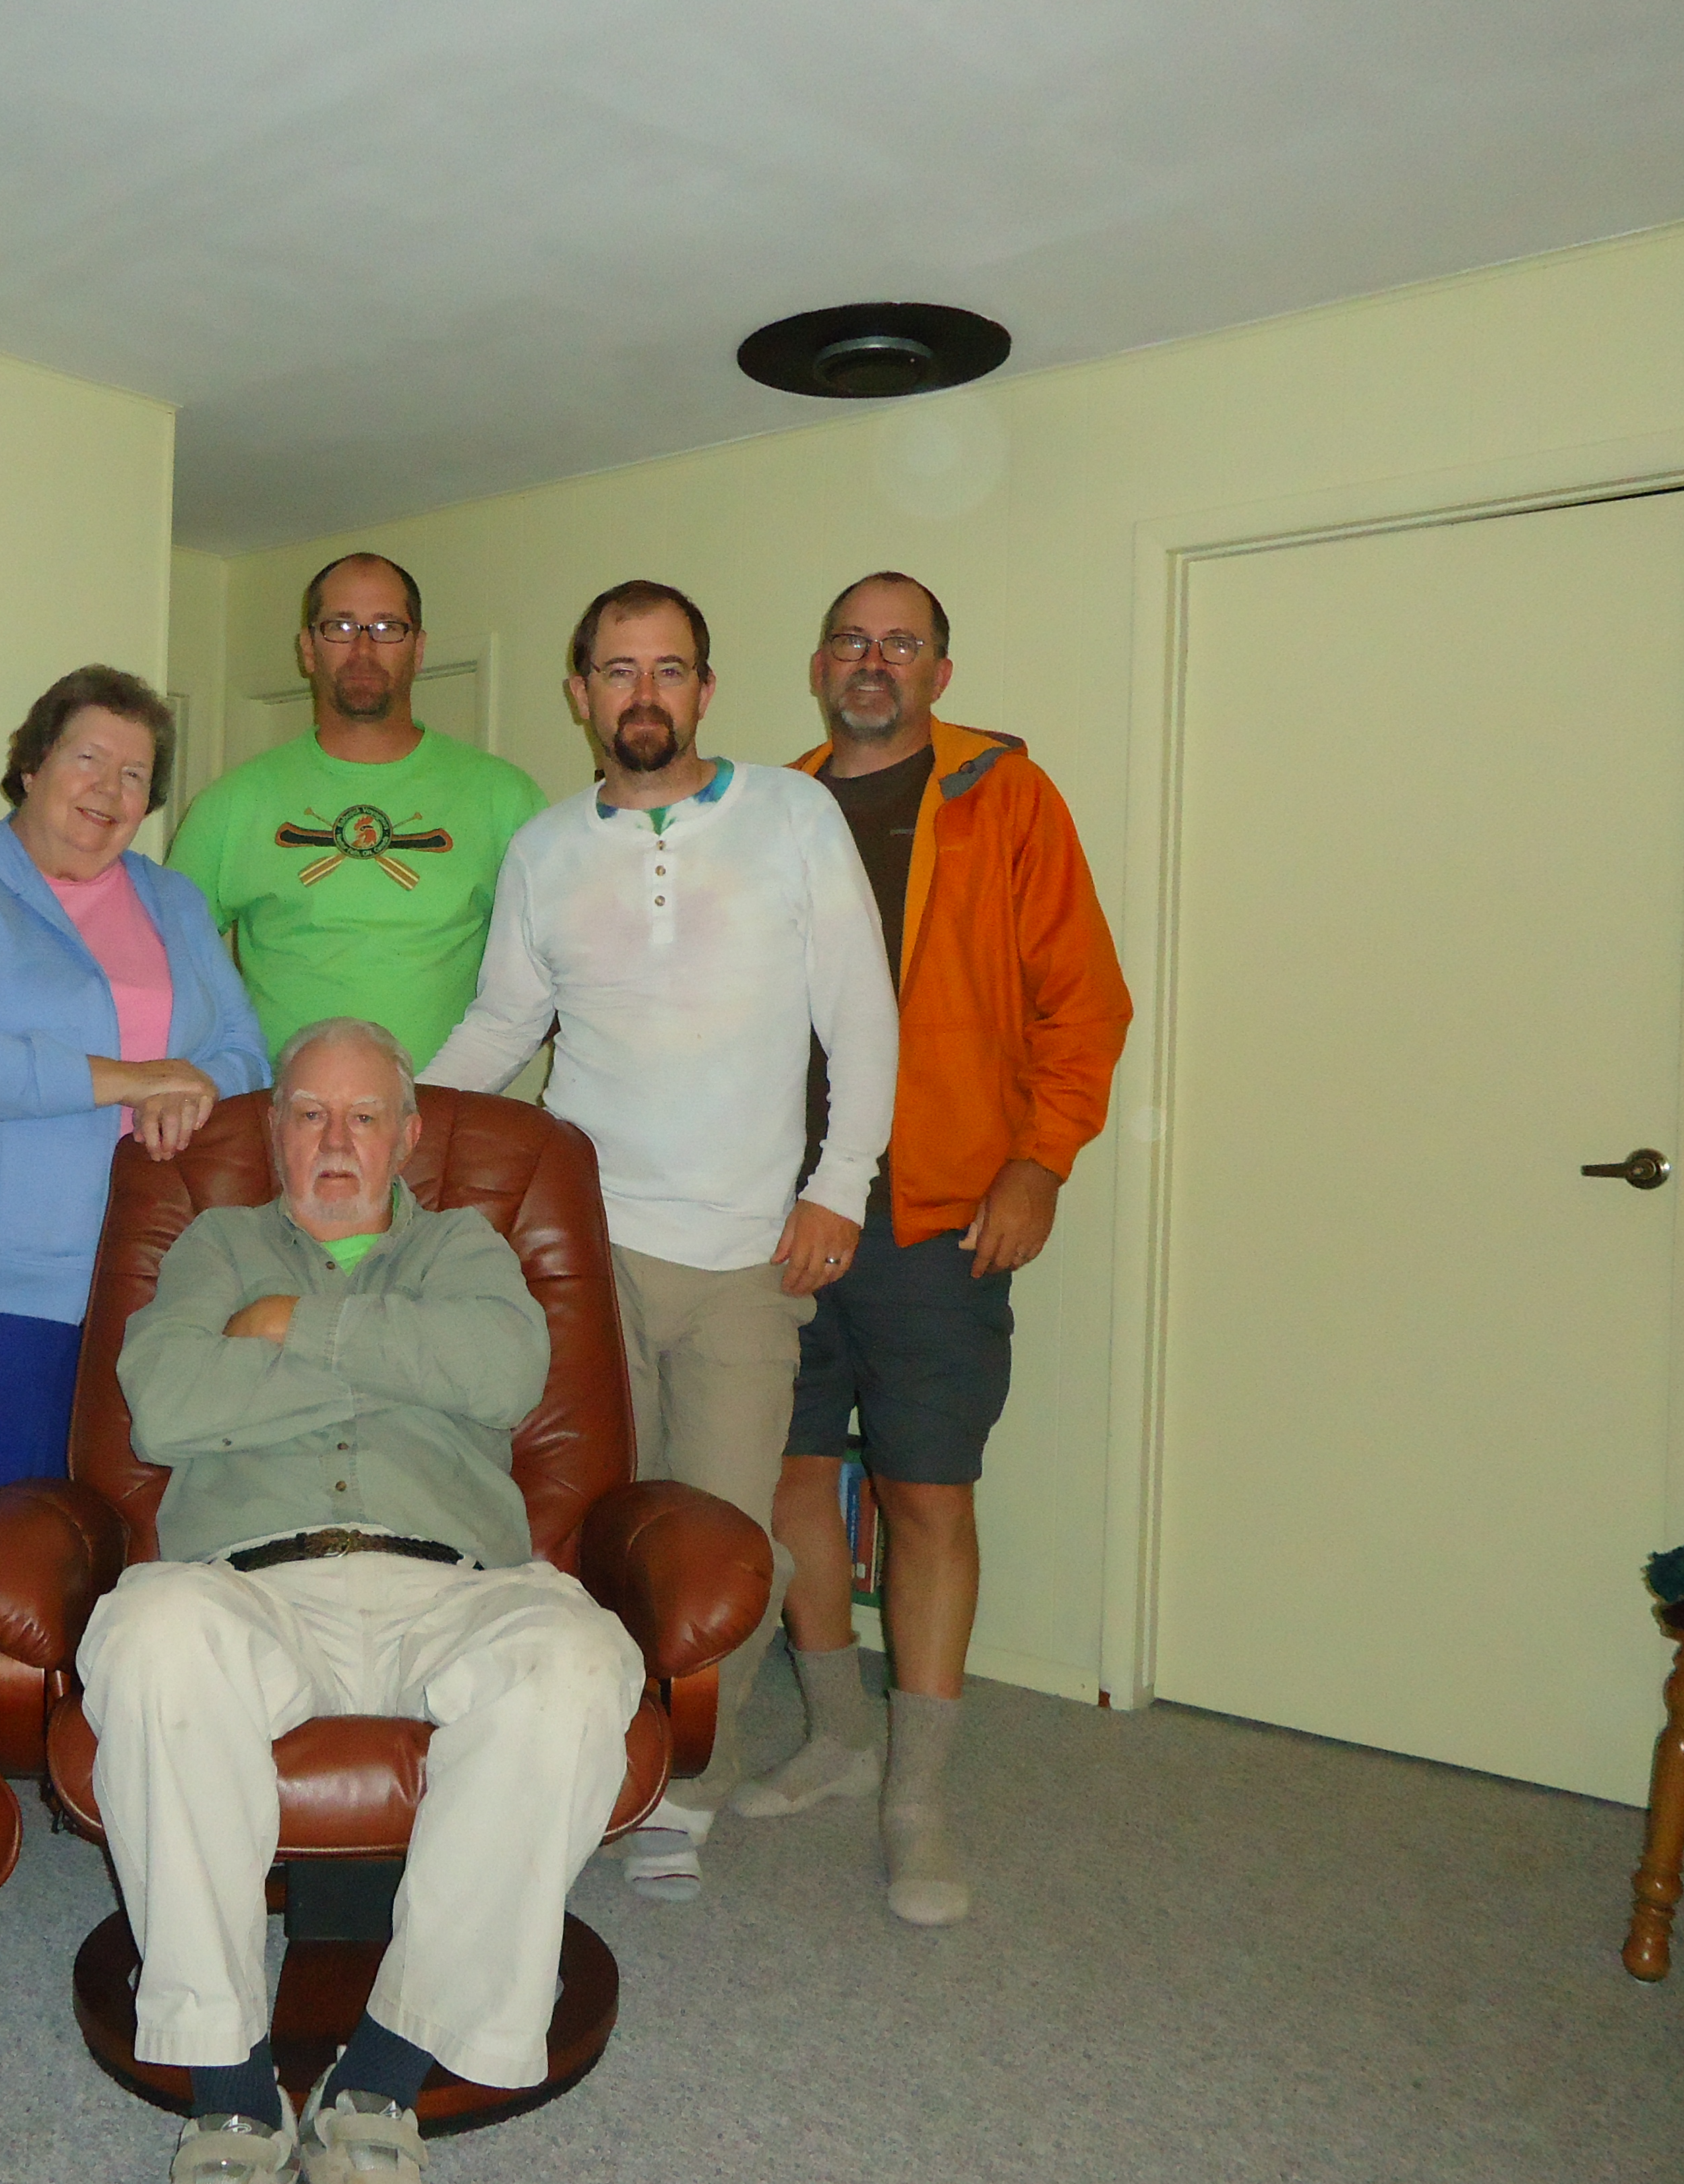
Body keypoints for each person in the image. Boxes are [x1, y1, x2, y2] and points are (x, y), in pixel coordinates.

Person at [83, 1017, 642, 2184]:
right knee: (148, 1637)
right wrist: (399, 1370)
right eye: (309, 1115)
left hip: (453, 1584)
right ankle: (231, 2086)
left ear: (407, 1138)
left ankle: (386, 2069)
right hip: (251, 1585)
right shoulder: (219, 1246)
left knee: (578, 1664)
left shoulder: (467, 1250)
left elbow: (504, 1374)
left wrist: (289, 1331)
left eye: (364, 1117)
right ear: (276, 1134)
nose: (336, 1141)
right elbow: (169, 1405)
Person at [420, 580, 897, 1903]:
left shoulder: (792, 816)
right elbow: (503, 1025)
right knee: (583, 1528)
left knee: (727, 1542)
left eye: (669, 668)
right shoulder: (544, 852)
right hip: (589, 1254)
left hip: (752, 1258)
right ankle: (588, 1759)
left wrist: (839, 1187)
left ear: (705, 688)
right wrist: (383, 1122)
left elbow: (862, 1013)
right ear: (581, 693)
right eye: (618, 670)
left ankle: (689, 1780)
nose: (644, 693)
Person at [735, 572, 1131, 1927]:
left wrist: (1041, 1160)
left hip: (939, 1210)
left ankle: (918, 1795)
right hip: (780, 1206)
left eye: (901, 643)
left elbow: (1084, 1003)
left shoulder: (1006, 799)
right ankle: (838, 1736)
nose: (873, 661)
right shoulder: (771, 808)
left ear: (939, 674)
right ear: (819, 664)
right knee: (788, 1475)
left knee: (925, 1495)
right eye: (851, 639)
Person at [0, 665, 270, 1750]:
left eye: (135, 775)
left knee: (116, 1540)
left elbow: (243, 1048)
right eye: (89, 758)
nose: (110, 790)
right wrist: (130, 1080)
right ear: (33, 762)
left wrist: (196, 1087)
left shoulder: (172, 901)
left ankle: (93, 1760)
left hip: (145, 1276)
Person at [167, 553, 546, 1066]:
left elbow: (557, 977)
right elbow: (164, 970)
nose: (363, 648)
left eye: (388, 628)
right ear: (307, 649)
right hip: (278, 1106)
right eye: (340, 627)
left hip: (445, 1104)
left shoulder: (505, 799)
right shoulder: (232, 804)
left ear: (419, 649)